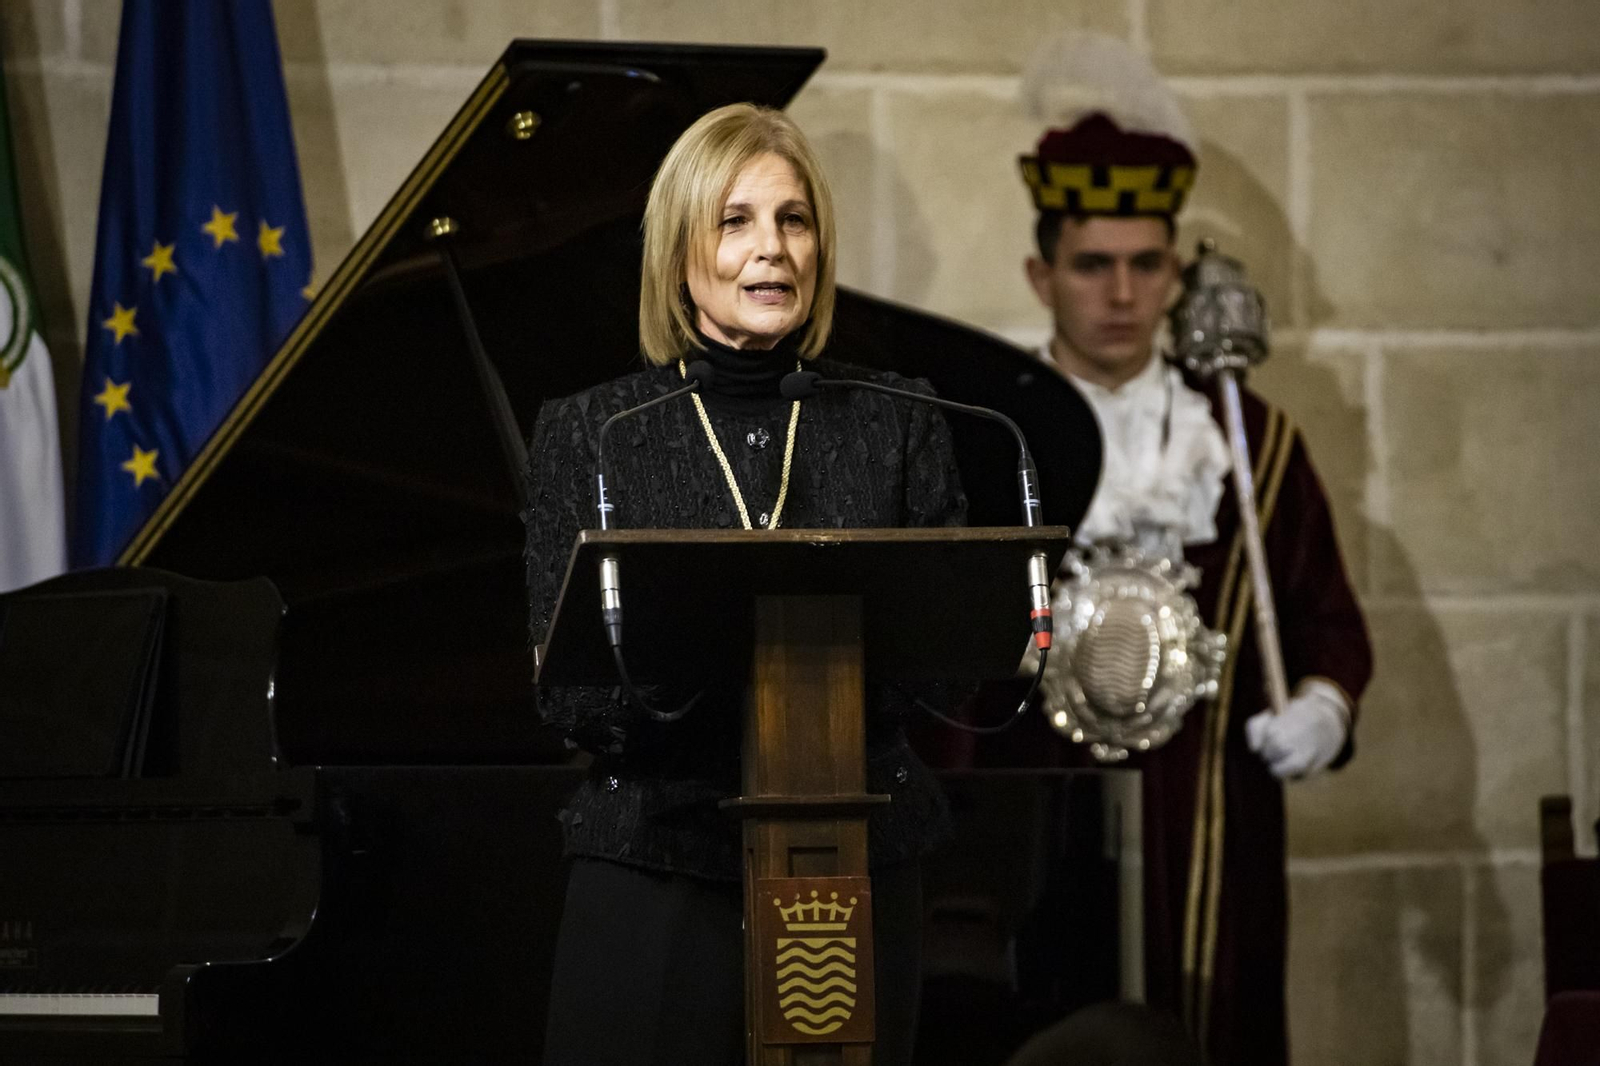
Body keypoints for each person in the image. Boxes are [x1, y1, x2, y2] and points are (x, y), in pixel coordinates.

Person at [522, 102, 966, 1066]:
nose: (772, 249)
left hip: (861, 856)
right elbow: (573, 693)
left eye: (794, 220)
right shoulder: (597, 433)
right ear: (682, 253)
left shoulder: (899, 422)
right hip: (655, 862)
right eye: (735, 221)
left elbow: (948, 663)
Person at [962, 36, 1374, 1066]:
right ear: (1040, 272)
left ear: (1175, 272)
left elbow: (1324, 615)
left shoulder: (1248, 440)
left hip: (1208, 810)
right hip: (1028, 807)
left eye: (1147, 265)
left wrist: (1324, 701)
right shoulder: (982, 433)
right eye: (1091, 265)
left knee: (1205, 1031)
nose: (1121, 293)